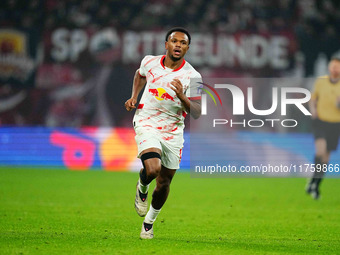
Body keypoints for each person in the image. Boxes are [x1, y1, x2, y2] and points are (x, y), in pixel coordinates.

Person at [124, 27, 202, 239]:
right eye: (174, 41)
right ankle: (142, 186)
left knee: (164, 182)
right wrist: (134, 96)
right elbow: (139, 75)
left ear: (187, 47)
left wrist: (181, 96)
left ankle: (149, 222)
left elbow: (196, 111)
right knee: (153, 169)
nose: (178, 45)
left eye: (183, 43)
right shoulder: (149, 62)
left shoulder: (193, 76)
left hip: (173, 130)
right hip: (146, 120)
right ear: (166, 44)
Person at [307, 57, 340, 200]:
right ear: (329, 67)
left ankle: (315, 183)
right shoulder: (321, 82)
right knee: (320, 151)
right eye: (333, 66)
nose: (335, 69)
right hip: (320, 121)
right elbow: (312, 98)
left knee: (326, 158)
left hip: (335, 123)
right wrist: (313, 110)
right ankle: (313, 182)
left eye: (337, 67)